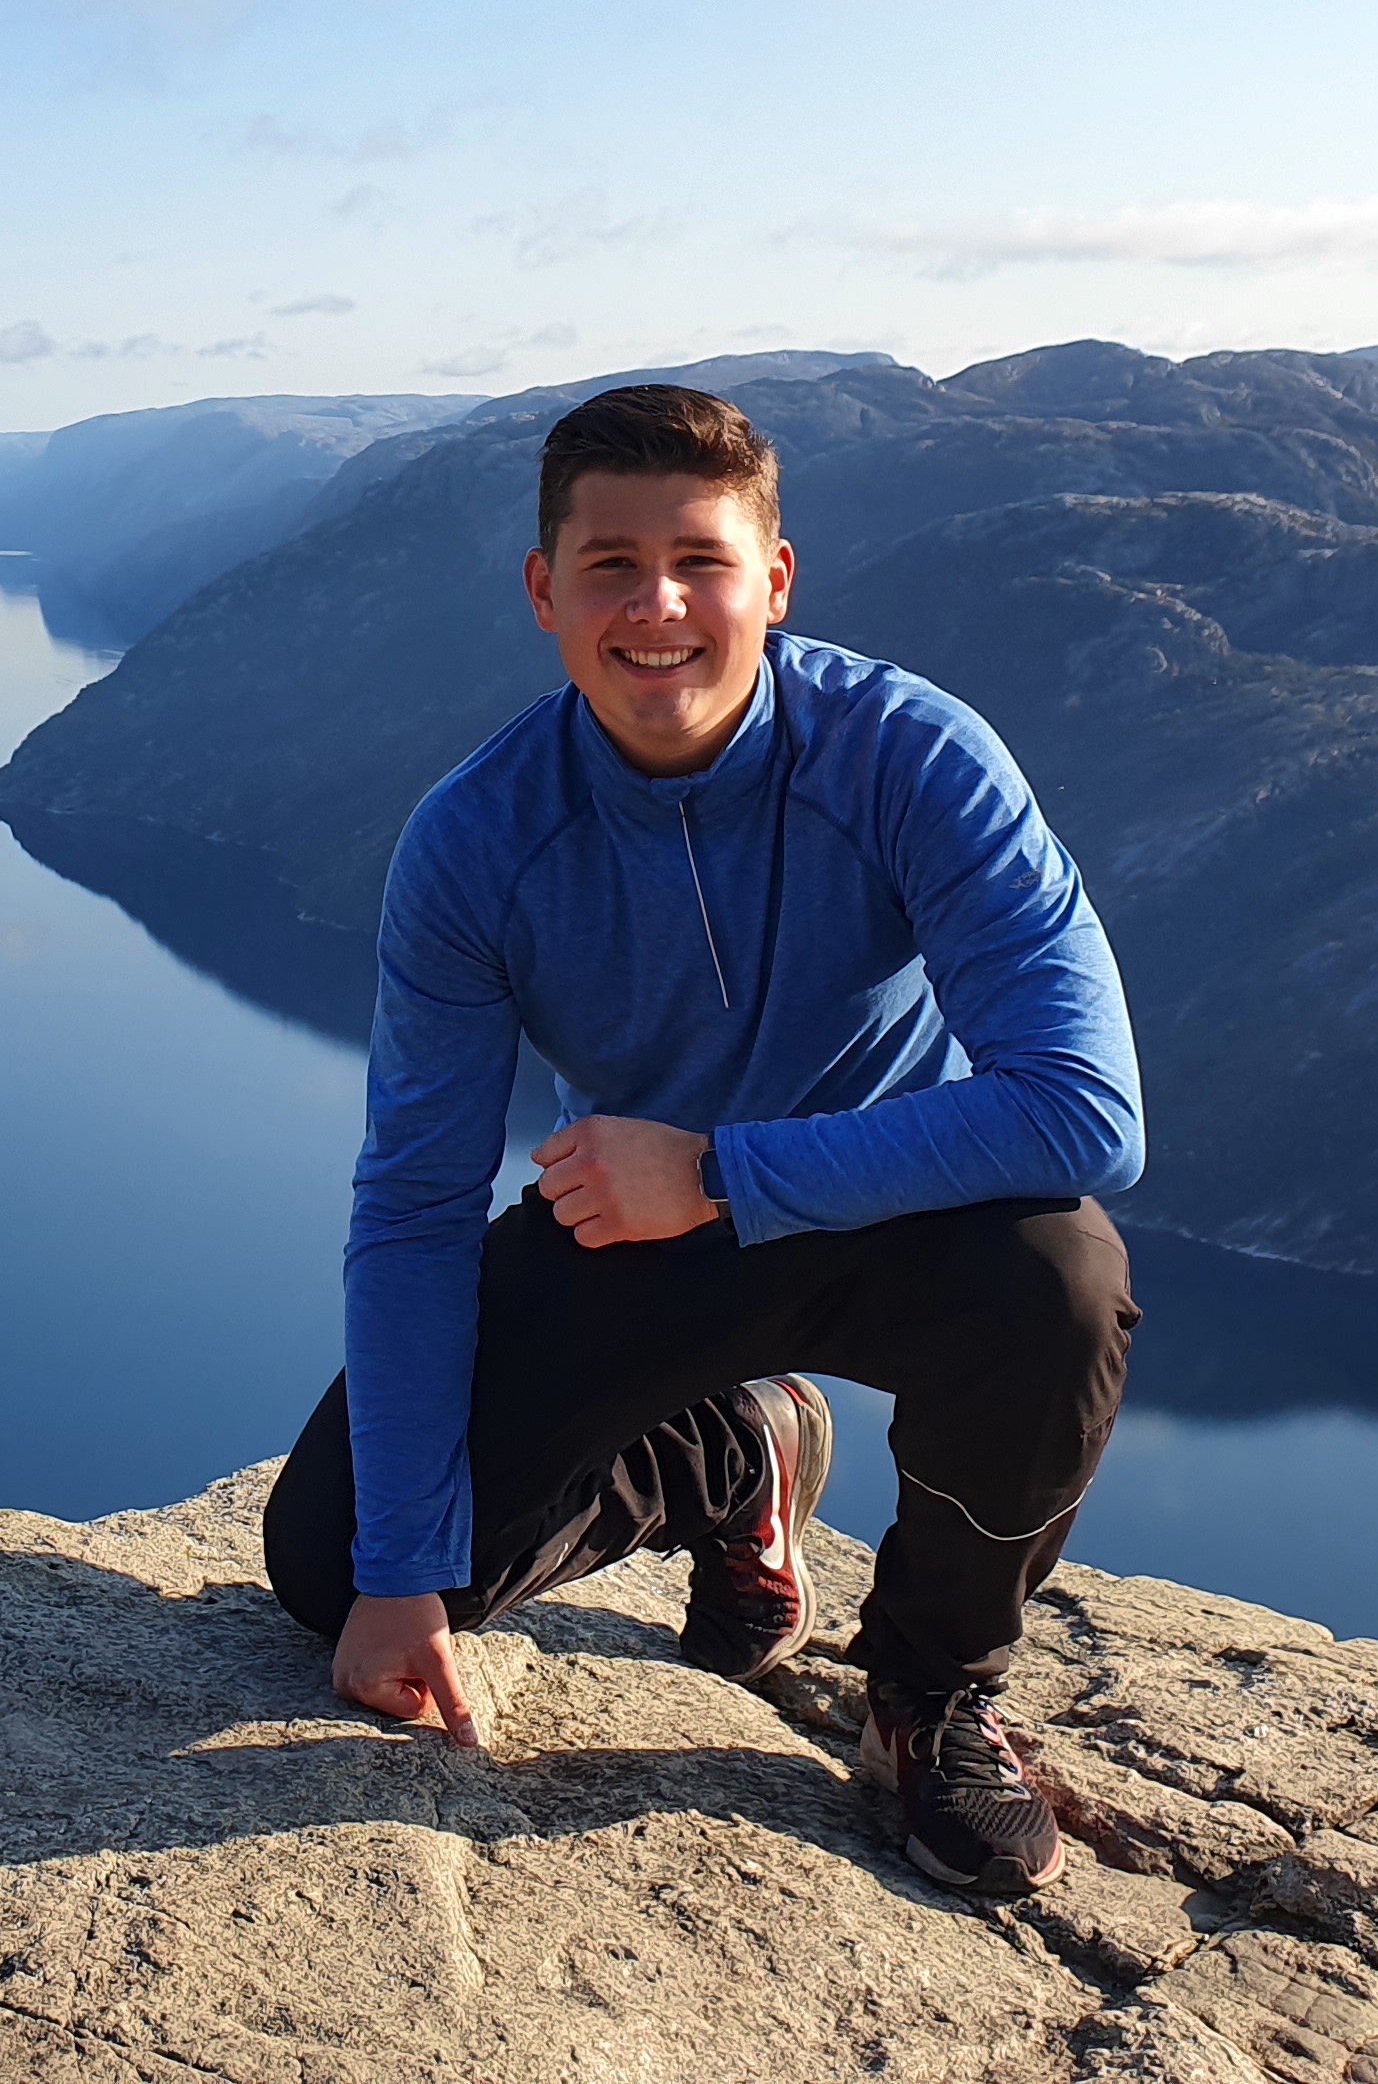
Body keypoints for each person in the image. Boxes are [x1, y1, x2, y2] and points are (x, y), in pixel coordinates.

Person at [261, 381, 1145, 1898]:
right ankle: (738, 1454)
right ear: (546, 592)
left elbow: (1086, 1108)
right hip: (636, 1224)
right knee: (335, 1561)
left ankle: (930, 1694)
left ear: (775, 582)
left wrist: (725, 1172)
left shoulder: (912, 760)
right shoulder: (480, 840)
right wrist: (403, 1576)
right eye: (610, 564)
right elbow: (413, 1205)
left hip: (890, 1201)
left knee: (1059, 1277)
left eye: (702, 561)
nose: (657, 606)